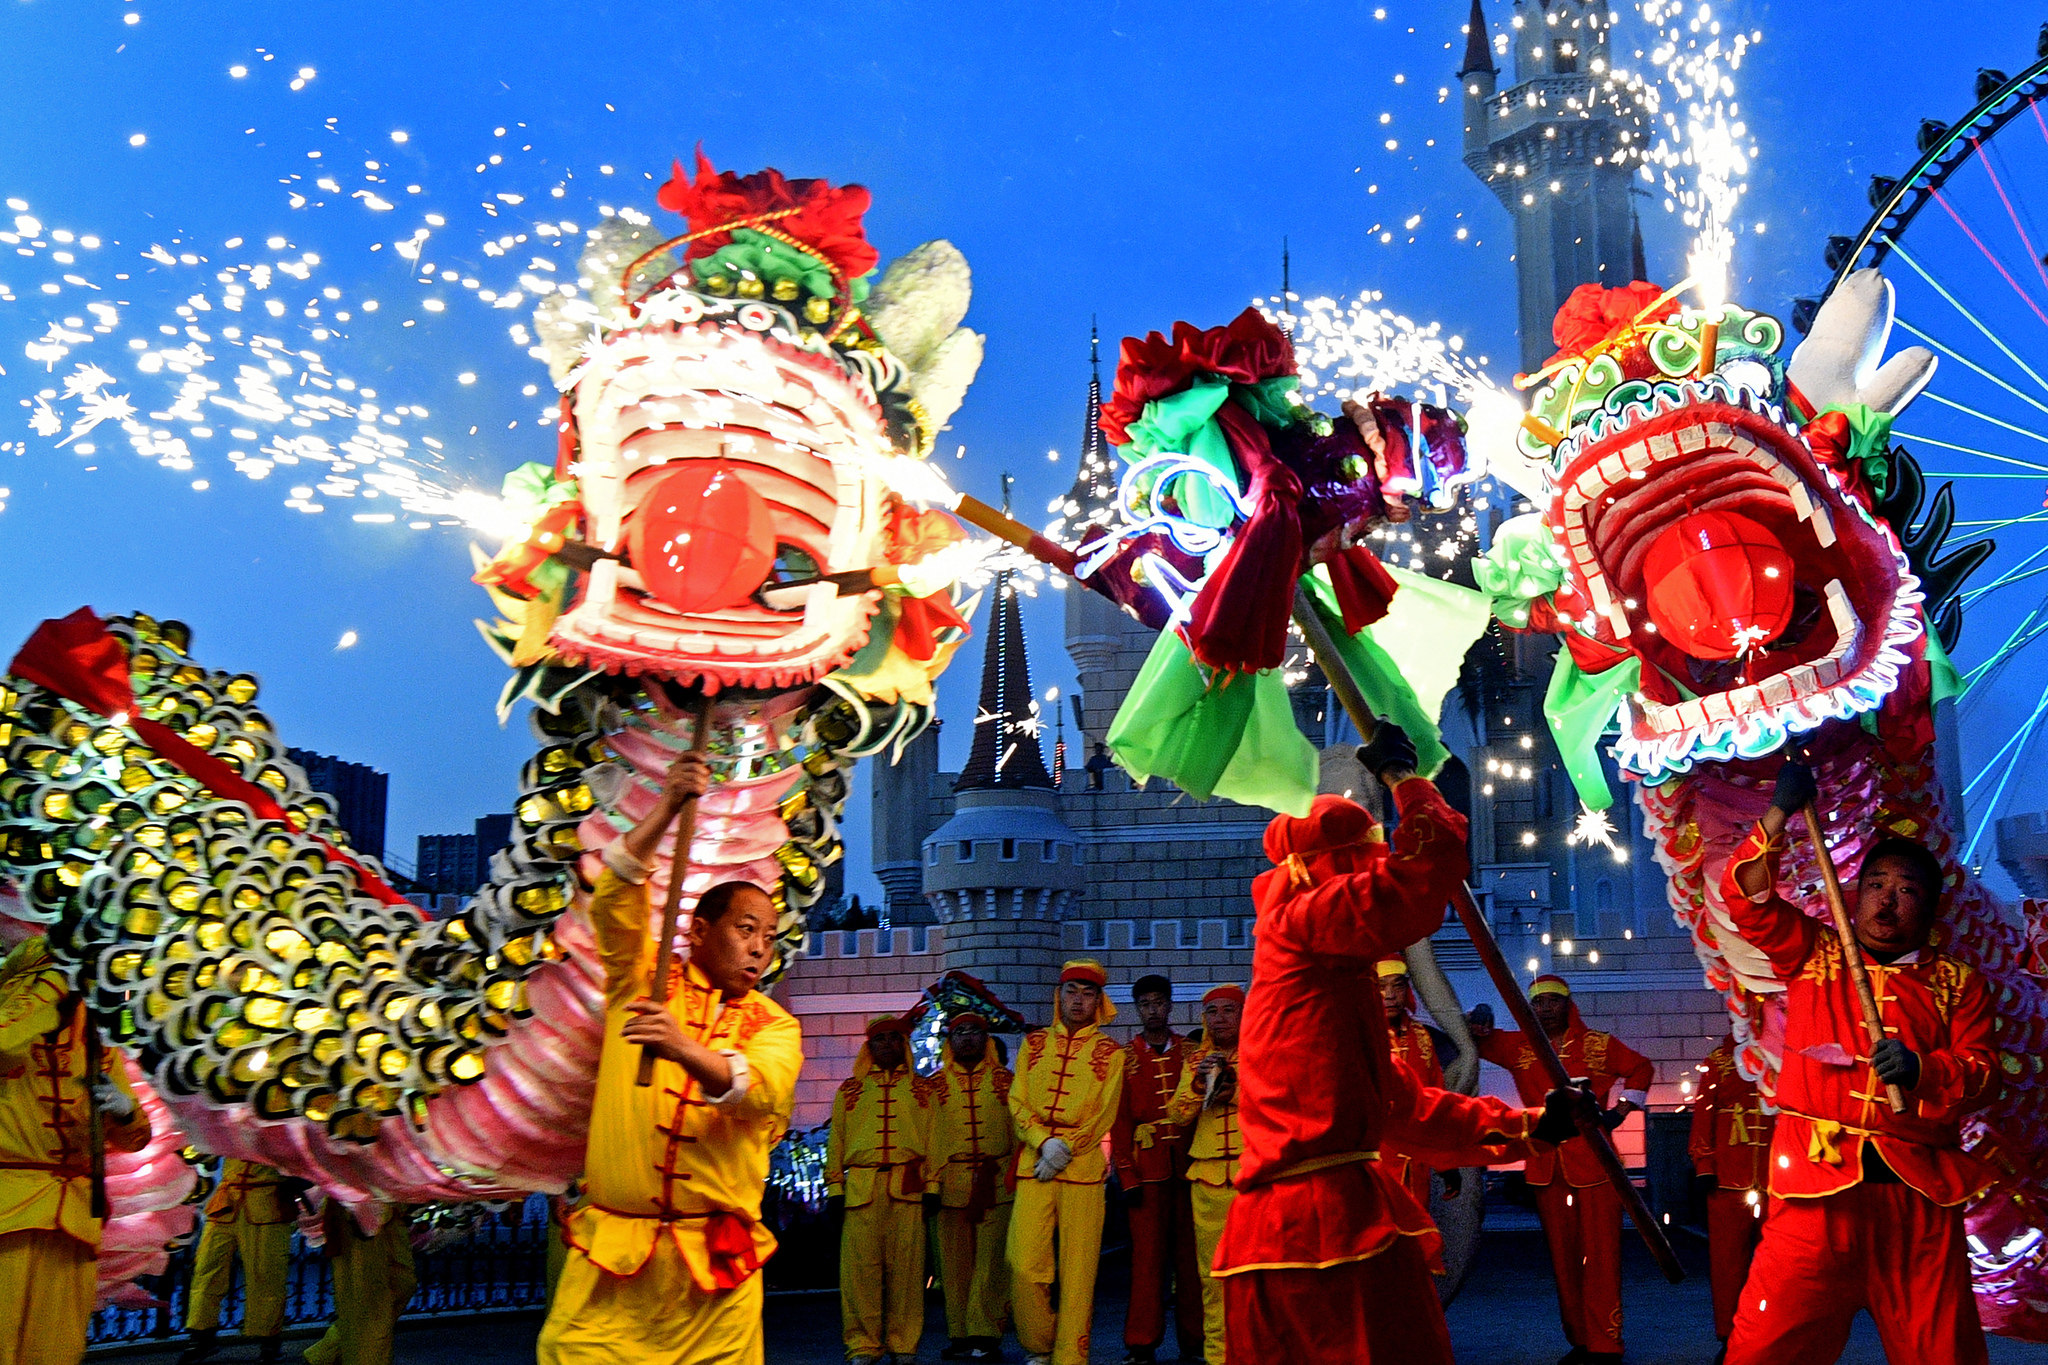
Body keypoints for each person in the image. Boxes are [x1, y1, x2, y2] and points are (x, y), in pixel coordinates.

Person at [1211, 724, 1585, 1363]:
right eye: (1364, 862)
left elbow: (1402, 1108)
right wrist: (1406, 784)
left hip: (1312, 1225)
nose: (1373, 872)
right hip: (1318, 1233)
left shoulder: (1330, 971)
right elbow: (1416, 882)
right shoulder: (1303, 919)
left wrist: (1534, 1128)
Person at [1718, 758, 1998, 1363]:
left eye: (1906, 891)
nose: (1887, 903)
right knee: (1767, 1348)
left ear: (1930, 910)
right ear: (1856, 892)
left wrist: (1924, 1070)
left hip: (1919, 1199)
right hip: (1815, 1189)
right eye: (1876, 886)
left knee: (1941, 1351)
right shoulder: (1815, 950)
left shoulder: (1957, 983)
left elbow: (1982, 1074)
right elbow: (1744, 901)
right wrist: (1779, 813)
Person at [536, 752, 804, 1365]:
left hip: (715, 1274)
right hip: (614, 1262)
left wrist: (680, 1048)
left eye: (769, 936)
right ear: (700, 932)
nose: (761, 948)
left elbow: (757, 1090)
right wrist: (668, 807)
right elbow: (614, 895)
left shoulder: (775, 1024)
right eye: (746, 929)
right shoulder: (645, 981)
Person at [1467, 974, 1652, 1364]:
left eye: (1553, 1001)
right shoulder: (1519, 1045)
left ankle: (1607, 1345)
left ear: (1569, 1005)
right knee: (1564, 1260)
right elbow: (1473, 1039)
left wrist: (1619, 1112)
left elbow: (1641, 1068)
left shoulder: (1598, 1044)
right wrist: (1477, 1018)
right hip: (1546, 1163)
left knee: (1601, 1256)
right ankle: (1581, 1341)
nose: (1544, 1008)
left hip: (1596, 1163)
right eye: (1537, 1002)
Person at [0, 902, 152, 1365]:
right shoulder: (21, 997)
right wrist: (49, 989)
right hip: (10, 1210)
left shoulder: (96, 1033)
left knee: (56, 1352)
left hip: (74, 1222)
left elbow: (137, 1137)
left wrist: (124, 1113)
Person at [1007, 960, 1126, 1365]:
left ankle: (1070, 1356)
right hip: (1034, 1165)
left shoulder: (1112, 1053)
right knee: (1022, 1262)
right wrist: (1043, 1142)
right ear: (1059, 996)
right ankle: (1041, 1342)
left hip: (1083, 1170)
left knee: (1079, 1272)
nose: (1079, 1000)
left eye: (1088, 993)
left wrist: (1064, 1149)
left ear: (1099, 1000)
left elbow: (1103, 1114)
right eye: (1072, 991)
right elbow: (1017, 1099)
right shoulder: (1034, 1043)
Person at [826, 1015, 930, 1365]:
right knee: (859, 1273)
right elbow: (836, 1141)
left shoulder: (922, 1090)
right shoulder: (849, 1090)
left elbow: (936, 1139)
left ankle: (904, 1344)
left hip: (908, 1189)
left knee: (908, 1271)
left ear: (904, 1044)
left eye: (894, 1038)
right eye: (881, 1038)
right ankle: (863, 1344)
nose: (888, 1044)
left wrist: (933, 1185)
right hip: (861, 1190)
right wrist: (834, 1189)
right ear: (870, 1046)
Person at [1111, 974, 1200, 1365]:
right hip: (1146, 1173)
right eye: (1145, 1004)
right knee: (1146, 1262)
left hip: (1189, 1168)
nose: (1153, 1010)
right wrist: (1126, 1175)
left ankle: (1195, 1341)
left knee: (1191, 1262)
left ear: (1169, 1006)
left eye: (1159, 1003)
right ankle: (1141, 1342)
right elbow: (1120, 1121)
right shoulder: (1124, 1057)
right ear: (1138, 1009)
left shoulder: (1191, 1051)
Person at [922, 1012, 1014, 1363]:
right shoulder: (932, 1085)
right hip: (949, 1185)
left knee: (991, 1264)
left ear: (986, 1038)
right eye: (960, 1032)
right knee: (953, 1267)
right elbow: (928, 1139)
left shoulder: (1007, 1081)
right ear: (950, 1040)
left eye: (975, 1031)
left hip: (997, 1183)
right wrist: (930, 1185)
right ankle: (959, 1335)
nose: (967, 1038)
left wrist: (1015, 1178)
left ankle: (986, 1334)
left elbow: (1018, 1133)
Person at [1165, 984, 1243, 1365]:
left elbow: (1282, 1098)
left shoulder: (1263, 1053)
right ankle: (1218, 1356)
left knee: (1260, 1274)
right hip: (1208, 1178)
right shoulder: (1195, 1059)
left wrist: (1236, 1092)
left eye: (1228, 1010)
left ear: (1244, 1014)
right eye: (1212, 1011)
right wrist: (1199, 1085)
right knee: (1212, 1277)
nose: (1220, 1018)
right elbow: (1177, 1113)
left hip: (1255, 1178)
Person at [1689, 1034, 1773, 1357]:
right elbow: (1702, 1113)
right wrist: (1704, 1164)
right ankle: (1730, 1337)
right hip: (1726, 1179)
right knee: (1727, 1265)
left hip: (1776, 1178)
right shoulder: (1719, 1061)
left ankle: (1772, 1332)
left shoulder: (1784, 1056)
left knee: (1777, 1266)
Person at [179, 1160, 297, 1364]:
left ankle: (269, 1339)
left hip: (267, 1199)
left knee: (266, 1272)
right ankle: (201, 1335)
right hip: (227, 1200)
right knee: (206, 1266)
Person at [1375, 958, 1463, 1209]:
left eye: (1397, 986)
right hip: (1373, 1163)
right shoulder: (1357, 1033)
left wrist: (1446, 1162)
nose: (1389, 995)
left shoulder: (1422, 1037)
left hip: (1416, 1162)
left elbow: (1436, 1100)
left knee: (1420, 1240)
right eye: (1381, 986)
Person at [302, 1200, 414, 1365]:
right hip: (359, 1210)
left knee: (405, 1284)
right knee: (371, 1300)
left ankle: (326, 1351)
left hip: (390, 1209)